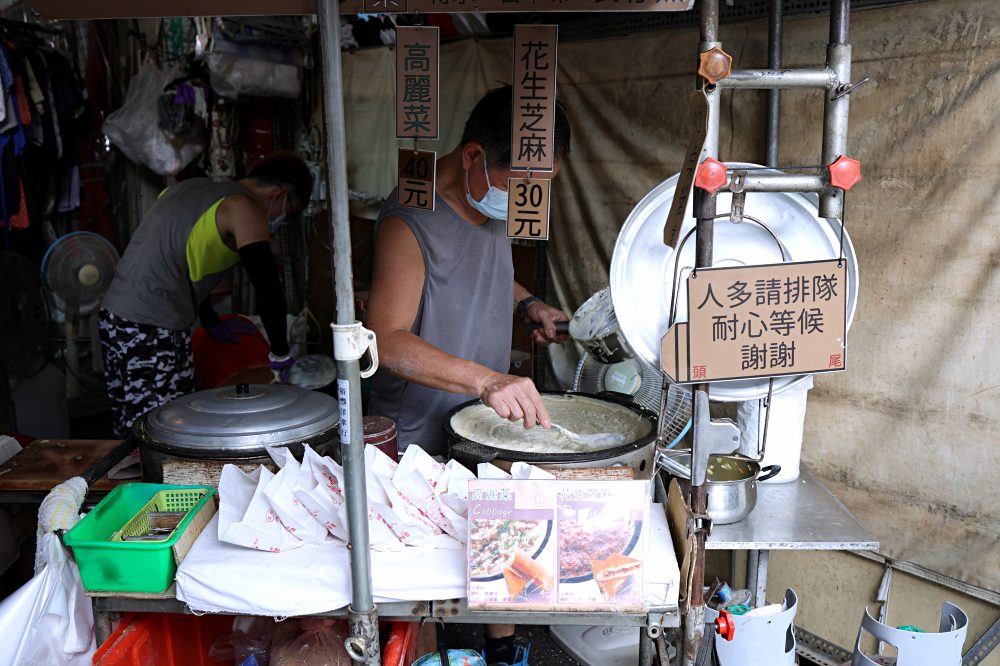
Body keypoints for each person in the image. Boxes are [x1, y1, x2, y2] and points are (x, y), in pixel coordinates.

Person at [366, 86, 572, 666]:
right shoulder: (410, 219)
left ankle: (502, 649)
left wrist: (527, 302)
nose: (527, 195)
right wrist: (487, 380)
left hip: (479, 420)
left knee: (497, 533)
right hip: (418, 431)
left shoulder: (490, 205)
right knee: (424, 584)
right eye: (519, 179)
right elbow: (386, 338)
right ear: (475, 158)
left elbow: (479, 272)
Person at [98, 152, 313, 439]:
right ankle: (159, 484)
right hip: (151, 328)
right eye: (288, 212)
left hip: (114, 320)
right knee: (168, 431)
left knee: (132, 428)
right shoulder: (243, 207)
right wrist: (280, 353)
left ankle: (134, 482)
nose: (280, 221)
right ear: (278, 195)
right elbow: (267, 288)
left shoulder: (190, 188)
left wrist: (210, 320)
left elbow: (178, 256)